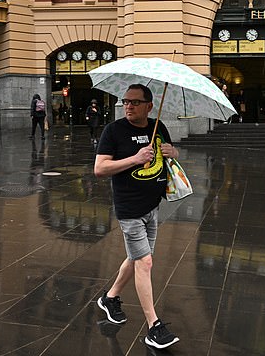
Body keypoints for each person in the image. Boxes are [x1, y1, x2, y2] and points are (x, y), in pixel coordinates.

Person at [94, 83, 180, 350]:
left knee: (136, 257)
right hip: (129, 209)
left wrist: (172, 152)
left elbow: (171, 155)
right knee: (145, 262)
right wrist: (134, 159)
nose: (128, 106)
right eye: (126, 101)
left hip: (153, 206)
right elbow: (100, 168)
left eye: (134, 102)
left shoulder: (158, 127)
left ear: (149, 106)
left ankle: (110, 297)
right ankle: (153, 326)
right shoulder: (114, 130)